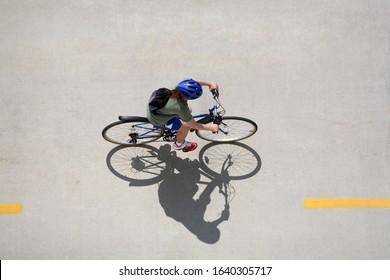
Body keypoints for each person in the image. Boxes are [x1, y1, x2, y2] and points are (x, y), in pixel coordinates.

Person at [146, 79, 219, 152]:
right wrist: (211, 128)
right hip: (157, 119)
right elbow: (194, 125)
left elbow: (193, 83)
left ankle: (175, 124)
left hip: (154, 107)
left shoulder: (177, 88)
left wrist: (210, 83)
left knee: (189, 110)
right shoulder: (181, 108)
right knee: (186, 127)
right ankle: (179, 145)